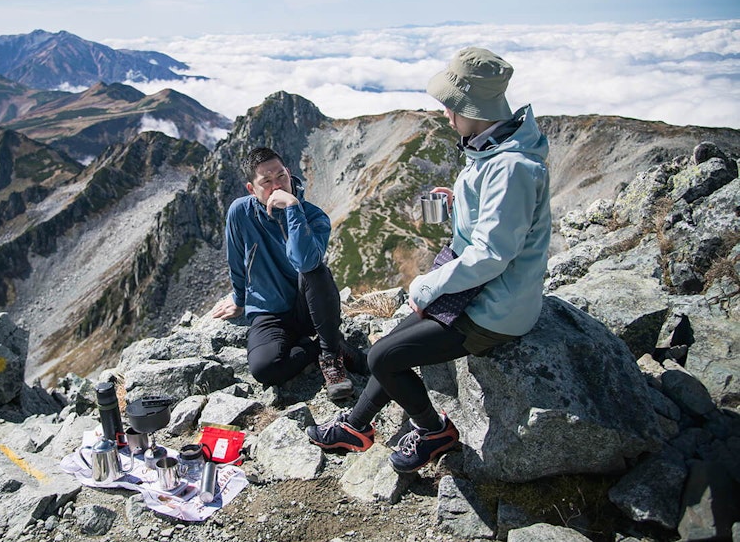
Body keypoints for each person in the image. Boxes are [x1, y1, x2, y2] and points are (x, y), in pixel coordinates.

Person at [306, 47, 552, 473]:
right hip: (483, 293)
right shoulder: (494, 147)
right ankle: (356, 425)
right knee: (386, 348)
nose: (445, 114)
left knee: (384, 358)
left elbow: (492, 253)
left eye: (450, 105)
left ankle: (434, 431)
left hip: (495, 310)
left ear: (473, 107)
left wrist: (425, 285)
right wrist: (462, 208)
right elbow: (497, 230)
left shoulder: (510, 168)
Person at [211, 146, 367, 401]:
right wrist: (239, 300)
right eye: (267, 182)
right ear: (252, 189)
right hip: (270, 311)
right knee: (264, 369)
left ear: (289, 172)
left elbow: (305, 261)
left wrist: (293, 207)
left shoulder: (314, 216)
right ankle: (324, 347)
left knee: (316, 270)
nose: (278, 186)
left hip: (310, 307)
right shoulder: (240, 212)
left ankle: (331, 359)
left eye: (281, 176)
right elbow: (236, 262)